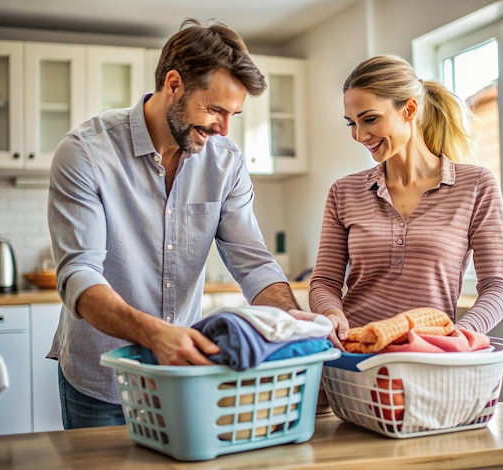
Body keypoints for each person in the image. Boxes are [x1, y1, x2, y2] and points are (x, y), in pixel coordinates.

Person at [47, 18, 314, 429]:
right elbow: (79, 275)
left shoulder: (225, 161)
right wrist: (155, 335)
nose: (223, 129)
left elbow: (254, 264)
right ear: (173, 84)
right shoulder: (86, 152)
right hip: (101, 377)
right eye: (214, 109)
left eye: (234, 114)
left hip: (182, 374)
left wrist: (296, 325)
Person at [309, 54, 503, 348]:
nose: (359, 134)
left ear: (410, 109)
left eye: (370, 119)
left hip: (430, 357)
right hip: (354, 357)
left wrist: (460, 334)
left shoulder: (476, 186)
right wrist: (331, 312)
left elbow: (497, 287)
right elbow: (325, 282)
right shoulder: (344, 191)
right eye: (351, 123)